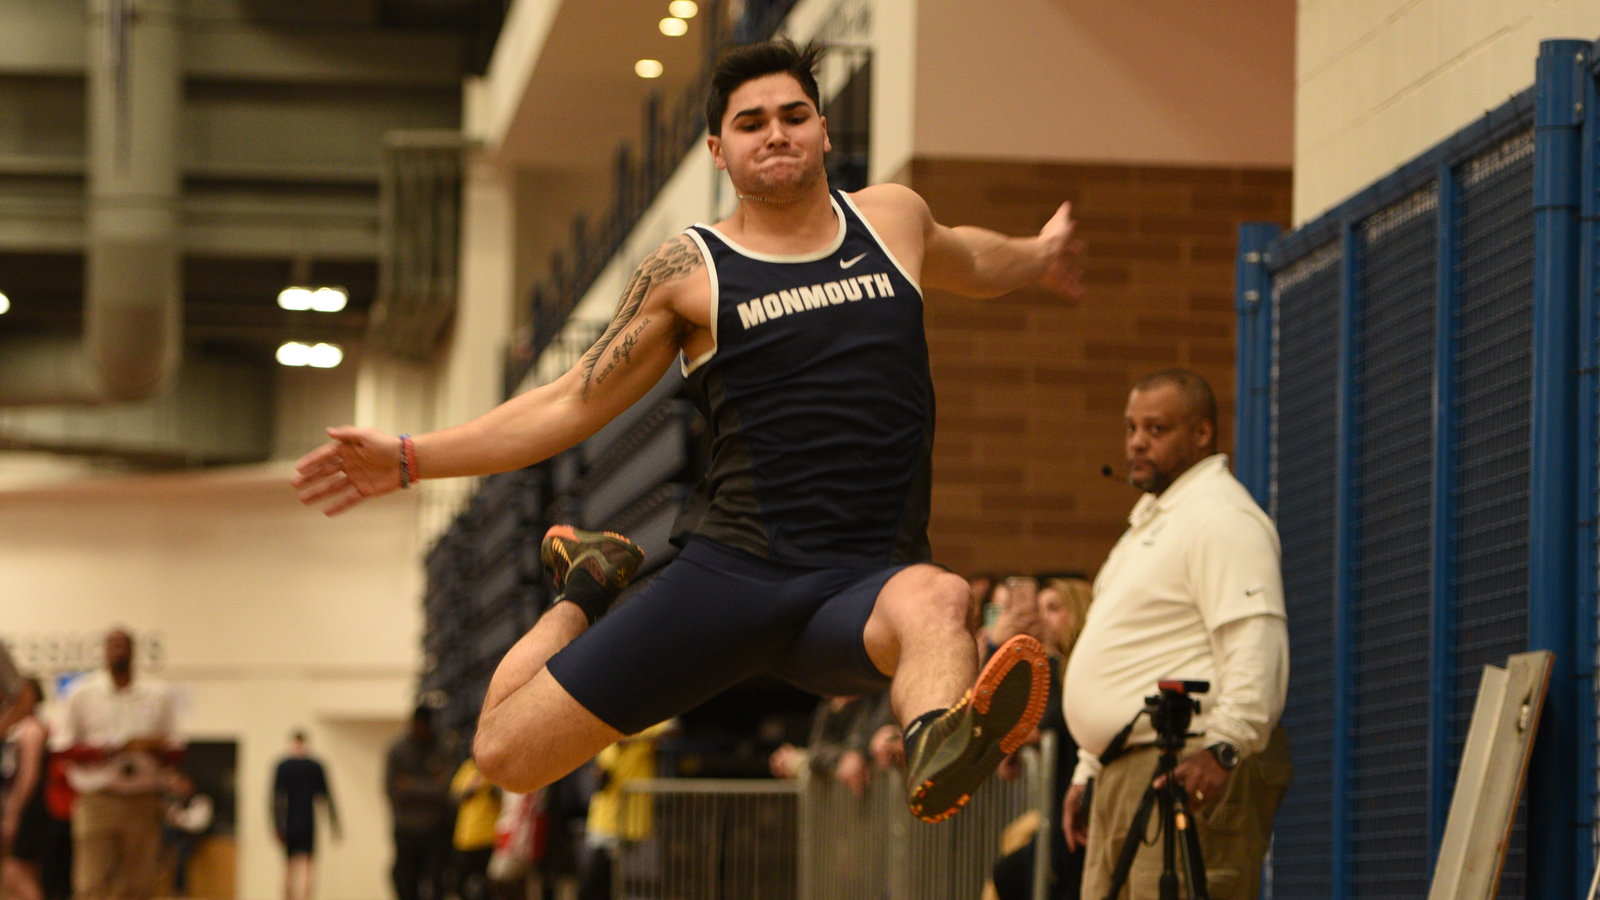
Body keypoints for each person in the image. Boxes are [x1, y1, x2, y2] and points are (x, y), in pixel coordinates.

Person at [294, 38, 1081, 825]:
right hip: (735, 575)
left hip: (863, 583)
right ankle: (585, 585)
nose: (776, 132)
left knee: (940, 597)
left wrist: (1040, 253)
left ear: (824, 131)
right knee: (506, 755)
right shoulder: (691, 271)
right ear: (717, 149)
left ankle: (938, 743)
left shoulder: (892, 222)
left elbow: (971, 259)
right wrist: (409, 458)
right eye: (751, 123)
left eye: (793, 115)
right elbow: (567, 401)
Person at [1061, 369, 1292, 900]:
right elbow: (1138, 652)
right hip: (1129, 765)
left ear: (1203, 434)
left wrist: (1226, 748)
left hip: (1189, 762)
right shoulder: (1155, 521)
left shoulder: (1222, 517)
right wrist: (1088, 766)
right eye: (1130, 428)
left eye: (1156, 428)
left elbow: (1255, 640)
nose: (1137, 441)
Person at [53, 629, 182, 900]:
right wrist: (111, 749)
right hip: (97, 798)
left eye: (124, 645)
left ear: (134, 651)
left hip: (143, 800)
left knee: (139, 885)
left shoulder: (157, 694)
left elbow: (176, 749)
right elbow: (63, 748)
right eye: (112, 646)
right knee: (91, 884)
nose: (118, 651)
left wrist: (149, 747)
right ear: (104, 652)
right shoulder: (82, 693)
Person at [577, 720, 672, 900]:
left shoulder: (644, 722)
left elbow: (673, 728)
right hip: (603, 813)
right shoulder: (606, 728)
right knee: (602, 883)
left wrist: (631, 738)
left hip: (627, 817)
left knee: (596, 883)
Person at [385, 707, 456, 900]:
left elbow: (445, 790)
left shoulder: (444, 747)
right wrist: (429, 787)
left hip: (437, 832)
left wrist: (411, 786)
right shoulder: (398, 750)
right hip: (406, 832)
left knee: (437, 884)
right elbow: (392, 791)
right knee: (404, 883)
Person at [769, 692, 894, 798]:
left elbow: (873, 742)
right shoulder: (829, 706)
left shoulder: (876, 698)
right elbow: (817, 749)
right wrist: (844, 756)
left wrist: (856, 752)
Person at [273, 731, 338, 900]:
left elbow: (326, 797)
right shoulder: (289, 766)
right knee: (292, 868)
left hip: (303, 822)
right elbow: (277, 799)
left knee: (303, 868)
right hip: (295, 822)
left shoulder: (310, 766)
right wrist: (278, 825)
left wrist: (334, 824)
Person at [3, 678, 49, 900]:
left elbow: (29, 775)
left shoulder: (31, 728)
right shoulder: (14, 727)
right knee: (21, 872)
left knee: (15, 871)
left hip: (30, 807)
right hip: (20, 806)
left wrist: (14, 812)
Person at [448, 758, 499, 900]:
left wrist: (491, 786)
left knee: (488, 886)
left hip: (489, 837)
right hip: (465, 837)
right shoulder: (467, 767)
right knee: (458, 884)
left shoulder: (496, 768)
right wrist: (471, 789)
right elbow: (453, 797)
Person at [160, 771, 212, 897]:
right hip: (171, 837)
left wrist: (178, 818)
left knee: (181, 854)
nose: (178, 787)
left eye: (181, 783)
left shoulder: (200, 799)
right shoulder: (172, 800)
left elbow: (198, 823)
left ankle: (179, 891)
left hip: (191, 837)